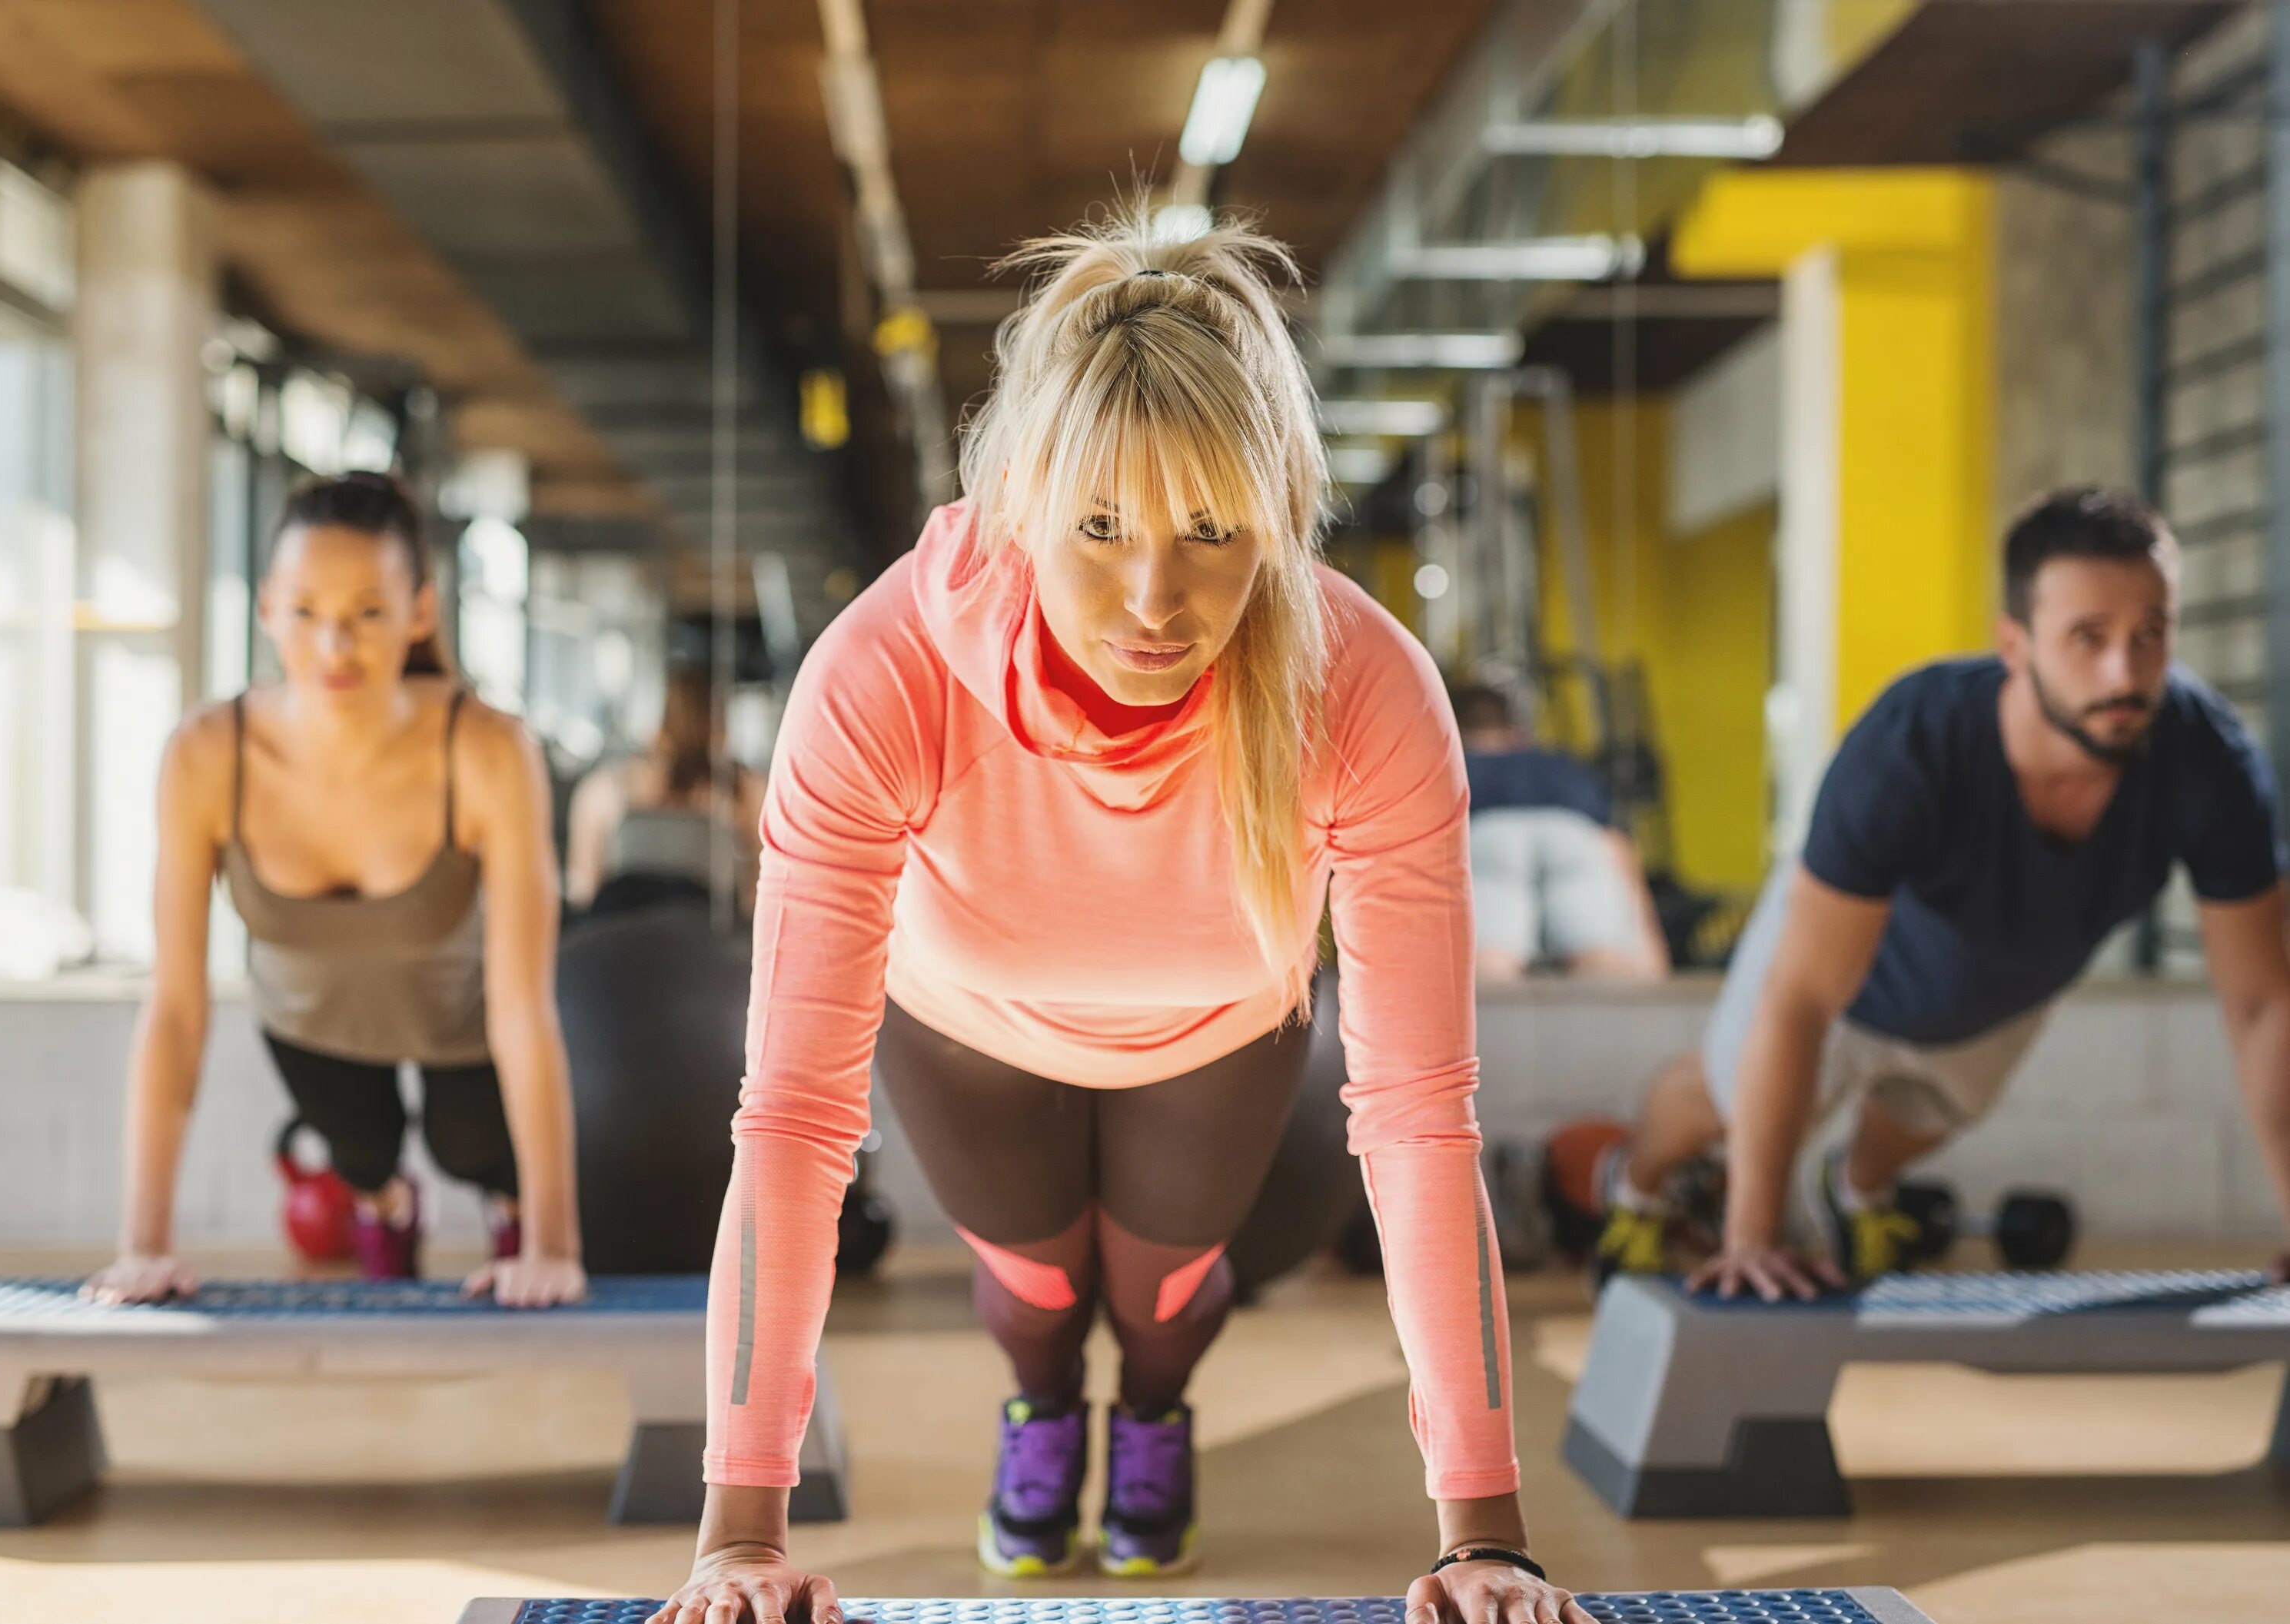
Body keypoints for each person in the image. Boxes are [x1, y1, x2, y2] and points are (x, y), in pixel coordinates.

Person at [654, 219, 1586, 1622]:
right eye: (1100, 527)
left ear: (1271, 514)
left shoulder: (1365, 693)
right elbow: (791, 1117)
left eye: (1211, 532)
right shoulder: (883, 673)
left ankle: (1154, 1413)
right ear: (1027, 495)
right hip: (966, 1024)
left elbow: (1419, 1117)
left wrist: (1486, 1536)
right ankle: (1041, 1409)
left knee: (1156, 1304)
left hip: (1216, 1031)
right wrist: (737, 1529)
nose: (1155, 600)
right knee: (1037, 1292)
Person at [1594, 488, 2290, 1297]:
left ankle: (1857, 1189)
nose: (2124, 673)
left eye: (2150, 635)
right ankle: (1634, 1182)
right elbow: (1802, 997)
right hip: (1839, 976)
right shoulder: (1912, 745)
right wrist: (1751, 1235)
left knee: (1914, 1125)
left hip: (1994, 993)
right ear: (2015, 644)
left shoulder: (2209, 761)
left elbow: (2263, 1006)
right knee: (1721, 1106)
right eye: (2087, 638)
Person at [83, 470, 586, 1309]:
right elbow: (173, 1010)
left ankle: (505, 1208)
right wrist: (142, 1247)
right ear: (268, 609)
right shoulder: (208, 754)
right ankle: (388, 1209)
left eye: (367, 612)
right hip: (312, 1023)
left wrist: (554, 1245)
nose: (334, 645)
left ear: (419, 611)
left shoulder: (489, 749)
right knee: (364, 1154)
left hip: (459, 1024)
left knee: (472, 1151)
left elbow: (525, 1008)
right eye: (307, 611)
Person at [1448, 684, 1666, 981]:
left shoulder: (1452, 767)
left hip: (1487, 835)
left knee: (1490, 970)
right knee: (1604, 969)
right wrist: (1651, 946)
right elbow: (1615, 844)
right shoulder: (1561, 765)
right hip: (1574, 837)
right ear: (1516, 733)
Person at [564, 663, 763, 919]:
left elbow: (582, 893)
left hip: (620, 943)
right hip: (709, 949)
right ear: (721, 726)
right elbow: (757, 898)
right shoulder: (746, 792)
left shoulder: (602, 789)